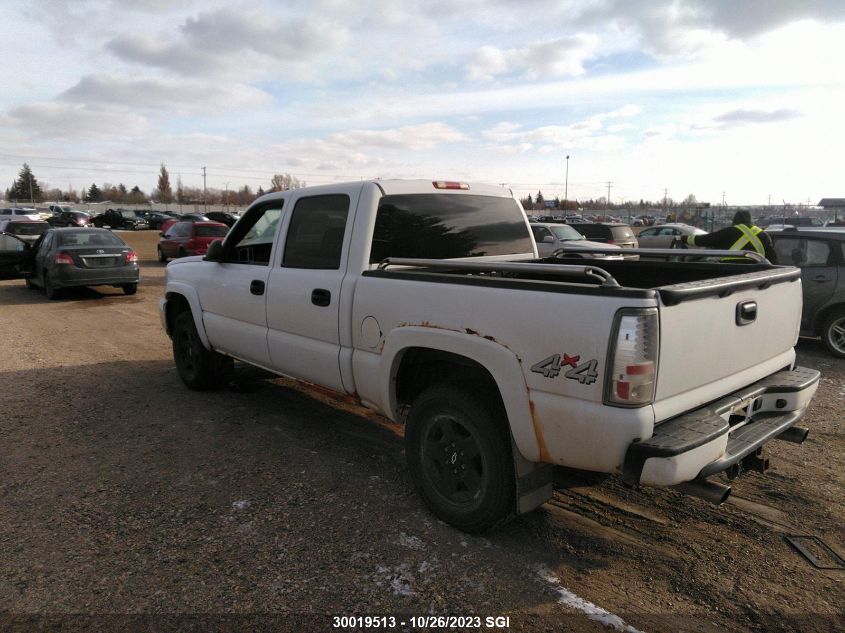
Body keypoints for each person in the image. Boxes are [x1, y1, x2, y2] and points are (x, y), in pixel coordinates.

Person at [682, 210, 777, 263]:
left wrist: (684, 239)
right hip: (756, 275)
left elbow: (704, 240)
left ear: (735, 220)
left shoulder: (730, 232)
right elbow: (773, 259)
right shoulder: (764, 235)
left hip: (731, 271)